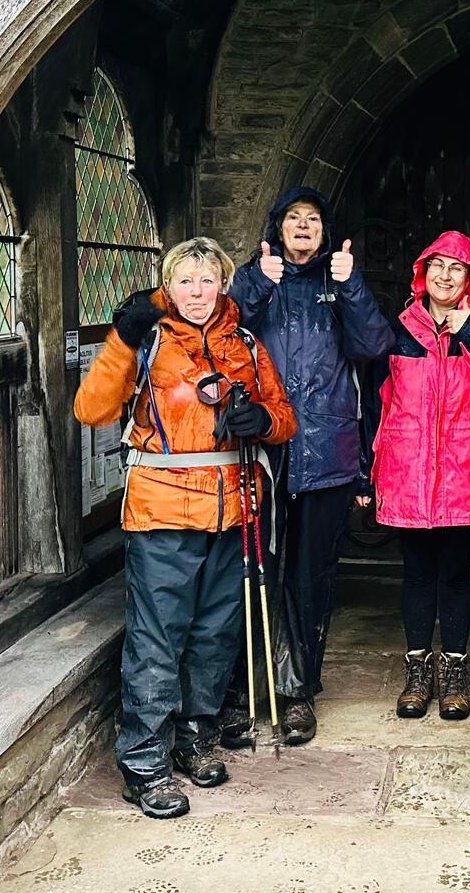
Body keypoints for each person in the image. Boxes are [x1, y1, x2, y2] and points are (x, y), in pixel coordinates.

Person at [74, 237, 296, 819]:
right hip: (163, 511)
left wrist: (262, 420)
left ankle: (196, 737)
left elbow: (285, 418)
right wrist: (121, 339)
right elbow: (91, 409)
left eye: (207, 281)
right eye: (185, 282)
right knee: (157, 638)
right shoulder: (147, 340)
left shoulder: (243, 343)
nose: (197, 293)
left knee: (215, 632)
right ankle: (144, 762)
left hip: (233, 509)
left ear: (223, 283)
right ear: (167, 287)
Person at [224, 187, 393, 746]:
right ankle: (247, 690)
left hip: (327, 454)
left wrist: (351, 284)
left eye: (312, 220)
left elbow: (373, 344)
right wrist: (255, 280)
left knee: (311, 577)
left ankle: (297, 692)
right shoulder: (259, 280)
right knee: (254, 571)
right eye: (293, 219)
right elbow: (222, 334)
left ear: (325, 232)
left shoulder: (336, 283)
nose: (303, 227)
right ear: (277, 229)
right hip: (261, 455)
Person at [363, 231, 470, 722]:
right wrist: (370, 470)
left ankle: (453, 671)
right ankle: (417, 671)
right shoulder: (399, 329)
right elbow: (376, 402)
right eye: (437, 266)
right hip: (408, 468)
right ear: (421, 273)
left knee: (454, 573)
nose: (445, 276)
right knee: (417, 573)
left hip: (462, 471)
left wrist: (468, 332)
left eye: (457, 268)